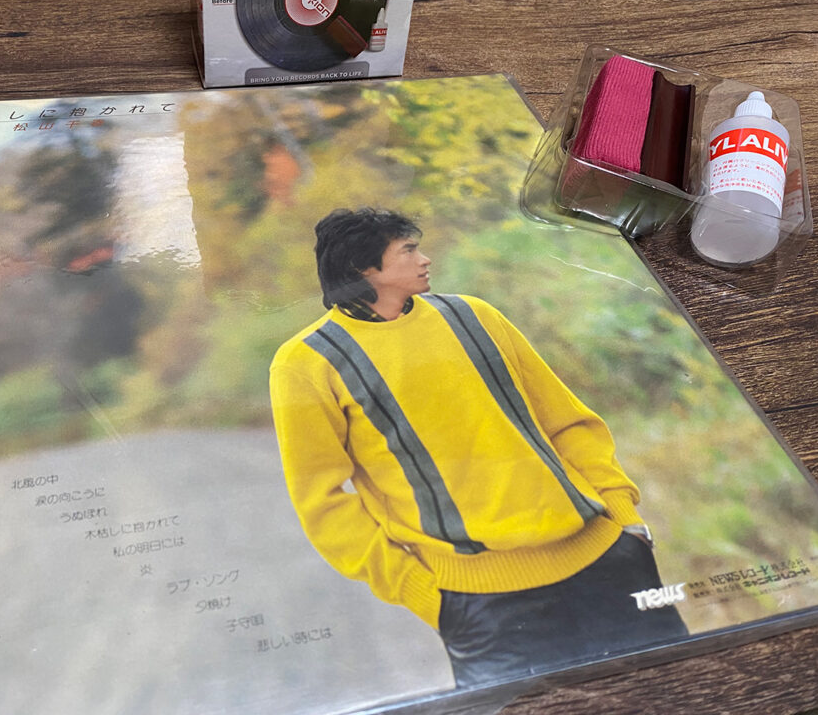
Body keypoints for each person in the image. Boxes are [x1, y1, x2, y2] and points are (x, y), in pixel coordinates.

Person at [269, 207, 688, 689]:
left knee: (683, 695)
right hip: (484, 609)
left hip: (609, 565)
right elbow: (322, 502)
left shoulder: (475, 316)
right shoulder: (306, 365)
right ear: (364, 268)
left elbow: (569, 423)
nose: (425, 259)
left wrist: (626, 520)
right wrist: (424, 594)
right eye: (408, 250)